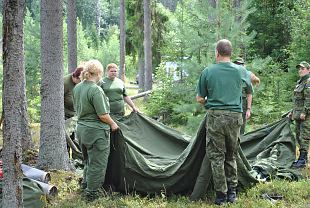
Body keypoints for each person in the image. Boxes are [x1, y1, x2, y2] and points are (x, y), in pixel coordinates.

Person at [195, 39, 252, 205]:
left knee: (216, 156)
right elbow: (252, 85)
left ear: (217, 53)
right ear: (231, 53)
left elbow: (199, 98)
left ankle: (221, 195)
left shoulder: (208, 71)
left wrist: (211, 105)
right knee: (231, 154)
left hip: (216, 118)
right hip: (235, 117)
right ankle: (232, 193)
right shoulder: (241, 71)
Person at [73, 59, 119, 202]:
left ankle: (86, 186)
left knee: (87, 161)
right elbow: (103, 115)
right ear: (98, 73)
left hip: (81, 131)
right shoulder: (95, 90)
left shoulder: (78, 88)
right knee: (97, 165)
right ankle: (92, 195)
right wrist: (113, 124)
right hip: (96, 132)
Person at [289, 61, 310, 169]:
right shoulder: (300, 82)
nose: (300, 70)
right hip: (298, 114)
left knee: (304, 137)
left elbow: (308, 99)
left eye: (302, 68)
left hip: (306, 116)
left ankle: (303, 159)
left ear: (308, 70)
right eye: (299, 68)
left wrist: (304, 112)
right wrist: (292, 111)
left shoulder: (308, 82)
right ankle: (301, 158)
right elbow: (296, 100)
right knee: (298, 136)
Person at [233, 57, 254, 134]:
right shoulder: (229, 76)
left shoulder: (246, 77)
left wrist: (248, 109)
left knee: (241, 128)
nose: (239, 66)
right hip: (230, 106)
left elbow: (249, 93)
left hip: (242, 105)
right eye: (237, 64)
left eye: (241, 64)